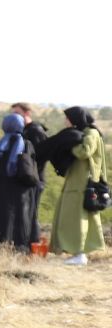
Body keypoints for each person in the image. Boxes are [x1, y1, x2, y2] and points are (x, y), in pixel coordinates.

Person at [0, 113, 43, 252]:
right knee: (19, 220)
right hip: (21, 191)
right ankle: (18, 248)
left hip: (0, 189)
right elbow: (31, 169)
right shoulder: (26, 145)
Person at [49, 106, 104, 265]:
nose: (65, 121)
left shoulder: (91, 133)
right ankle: (76, 253)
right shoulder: (82, 133)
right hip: (76, 182)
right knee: (71, 217)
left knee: (79, 218)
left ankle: (80, 254)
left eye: (67, 118)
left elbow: (84, 152)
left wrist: (69, 142)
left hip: (83, 184)